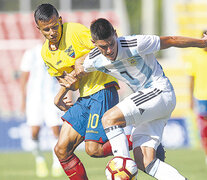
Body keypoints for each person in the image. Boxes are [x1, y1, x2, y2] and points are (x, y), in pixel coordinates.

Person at [34, 4, 165, 179]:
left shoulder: (74, 31)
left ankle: (142, 141)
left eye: (54, 26)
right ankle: (137, 141)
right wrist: (65, 90)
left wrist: (80, 60)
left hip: (103, 89)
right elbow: (68, 82)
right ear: (39, 29)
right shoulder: (45, 54)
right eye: (46, 29)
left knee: (93, 149)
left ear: (60, 20)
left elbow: (103, 48)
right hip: (84, 96)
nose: (52, 32)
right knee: (61, 150)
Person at [81, 18, 207, 180]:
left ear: (116, 34)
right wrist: (62, 91)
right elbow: (78, 68)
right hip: (150, 106)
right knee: (144, 161)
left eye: (112, 43)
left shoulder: (134, 43)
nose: (109, 50)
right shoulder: (93, 59)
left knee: (109, 119)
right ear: (94, 43)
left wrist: (201, 43)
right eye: (103, 47)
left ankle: (121, 168)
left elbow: (170, 40)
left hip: (159, 91)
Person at [20, 43, 63, 177]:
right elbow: (24, 78)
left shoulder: (58, 52)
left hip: (51, 97)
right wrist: (23, 99)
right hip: (34, 99)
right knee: (34, 132)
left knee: (55, 130)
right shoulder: (31, 53)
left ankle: (57, 163)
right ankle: (40, 159)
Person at [186, 30, 207, 165]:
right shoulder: (195, 55)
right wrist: (190, 99)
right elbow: (191, 79)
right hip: (201, 96)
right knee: (204, 128)